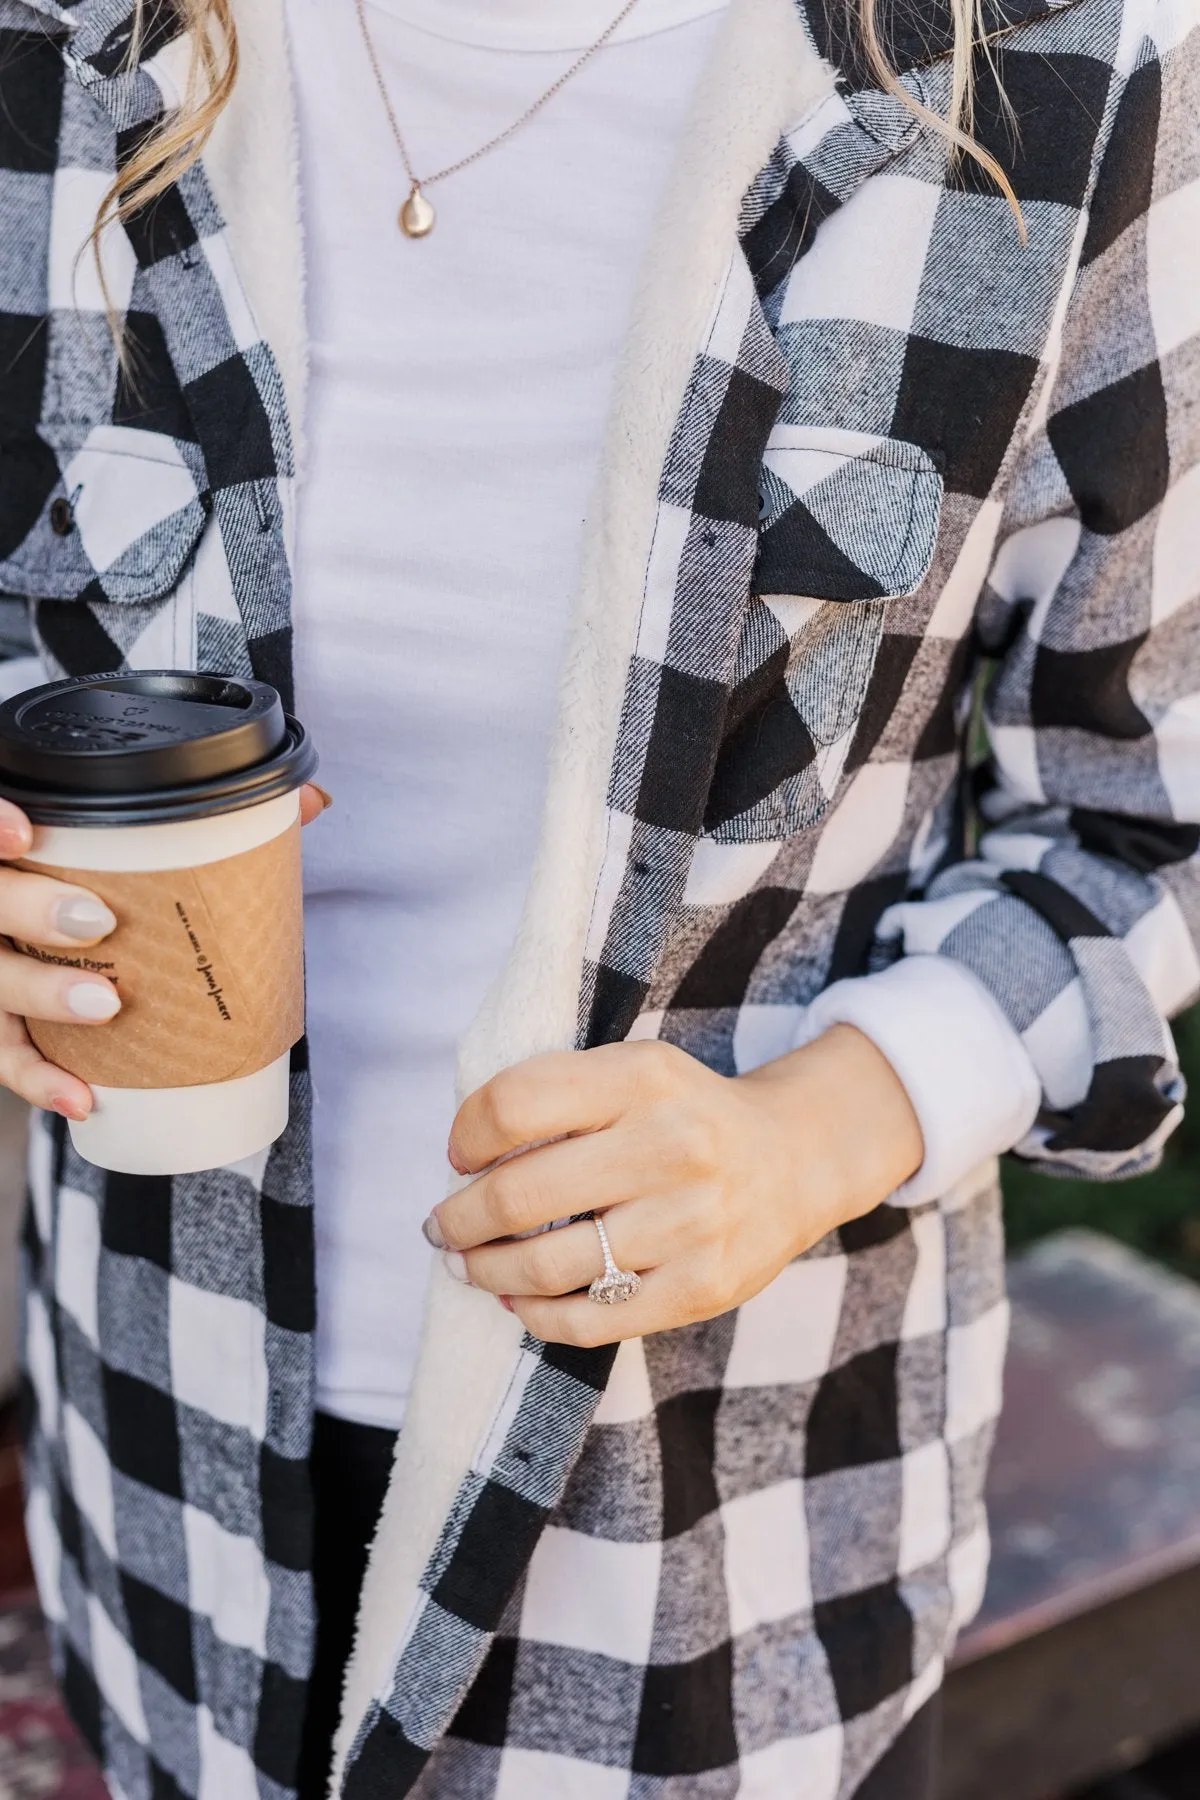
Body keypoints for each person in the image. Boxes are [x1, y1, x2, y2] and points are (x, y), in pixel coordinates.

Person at [0, 0, 1196, 1792]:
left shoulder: (1067, 68)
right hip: (170, 1501)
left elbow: (1145, 814)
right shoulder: (66, 44)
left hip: (724, 1554)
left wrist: (810, 1135)